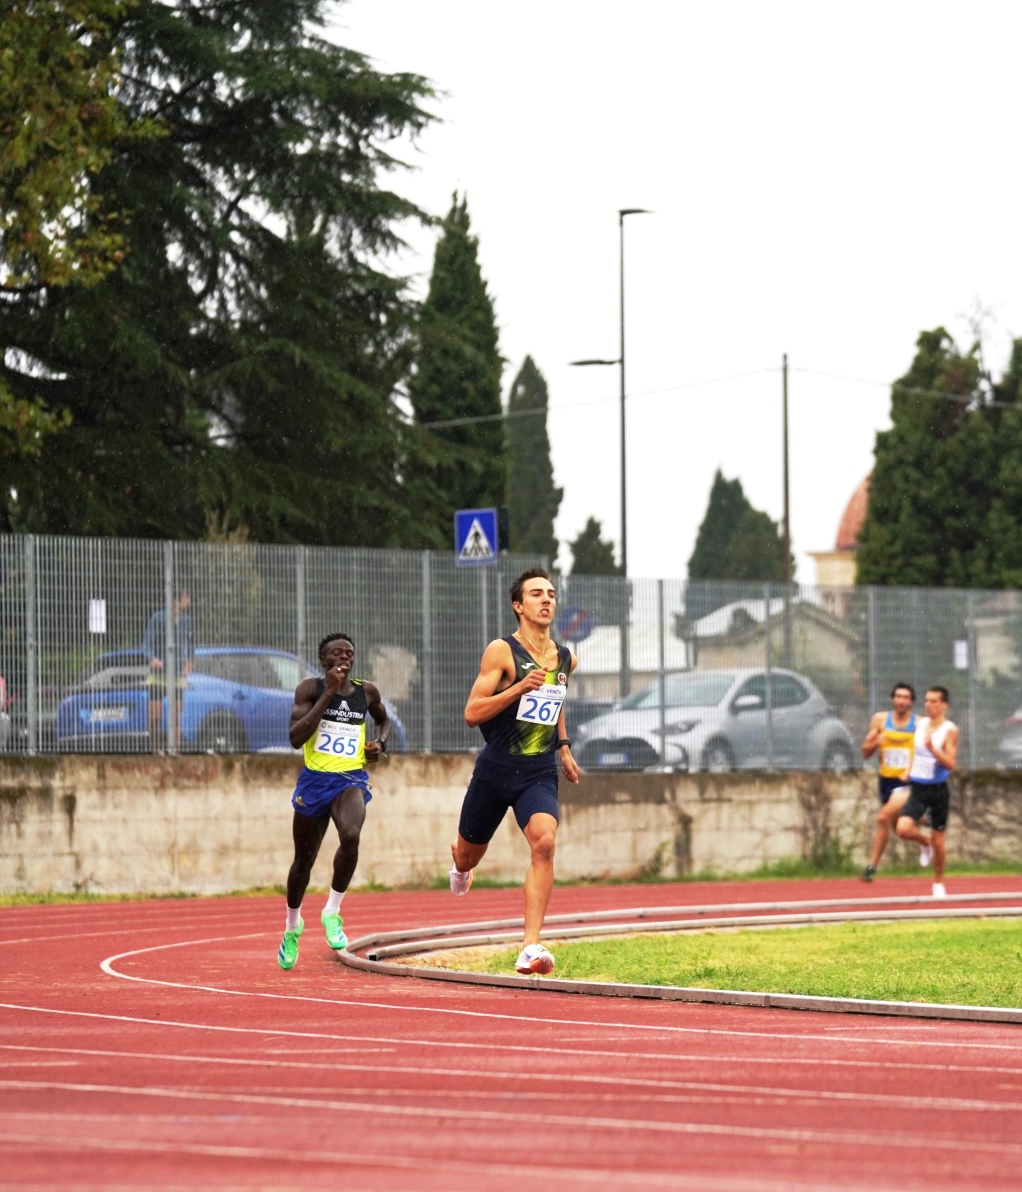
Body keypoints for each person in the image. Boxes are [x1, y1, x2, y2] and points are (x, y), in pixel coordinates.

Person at [449, 568, 580, 976]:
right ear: (518, 606)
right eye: (537, 594)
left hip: (538, 771)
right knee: (467, 854)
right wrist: (518, 688)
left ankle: (530, 947)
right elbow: (472, 713)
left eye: (551, 594)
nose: (547, 599)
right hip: (496, 769)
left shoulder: (566, 658)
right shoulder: (502, 651)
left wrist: (563, 746)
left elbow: (555, 700)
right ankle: (460, 867)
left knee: (545, 843)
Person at [276, 632, 390, 970]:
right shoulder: (309, 689)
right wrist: (328, 691)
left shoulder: (366, 691)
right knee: (303, 863)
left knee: (351, 836)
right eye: (336, 653)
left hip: (350, 779)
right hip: (315, 782)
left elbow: (383, 720)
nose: (343, 657)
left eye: (349, 653)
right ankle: (292, 926)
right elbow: (295, 738)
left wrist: (380, 745)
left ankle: (332, 911)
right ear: (323, 660)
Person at [895, 686, 959, 898]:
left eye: (934, 701)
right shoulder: (920, 724)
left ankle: (938, 883)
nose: (928, 705)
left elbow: (950, 763)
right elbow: (915, 750)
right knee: (902, 828)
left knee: (939, 839)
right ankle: (925, 843)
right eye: (926, 700)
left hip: (938, 790)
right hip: (919, 787)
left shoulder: (949, 730)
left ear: (944, 705)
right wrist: (908, 769)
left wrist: (933, 749)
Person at [860, 682, 926, 881]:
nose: (901, 701)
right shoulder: (880, 720)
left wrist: (912, 770)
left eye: (906, 697)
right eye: (898, 696)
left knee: (882, 817)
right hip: (886, 782)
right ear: (892, 699)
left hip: (907, 782)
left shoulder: (919, 723)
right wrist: (875, 742)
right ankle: (928, 841)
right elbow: (866, 752)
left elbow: (925, 752)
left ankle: (871, 867)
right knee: (900, 830)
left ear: (911, 702)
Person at [143, 589, 194, 752]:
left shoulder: (187, 621)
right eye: (186, 598)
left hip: (176, 675)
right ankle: (155, 750)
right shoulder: (157, 618)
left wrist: (189, 662)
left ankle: (175, 751)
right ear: (175, 601)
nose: (189, 602)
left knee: (176, 716)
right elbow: (147, 643)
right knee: (154, 716)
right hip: (158, 675)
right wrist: (152, 658)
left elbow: (191, 645)